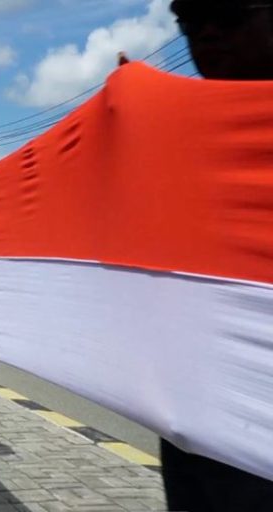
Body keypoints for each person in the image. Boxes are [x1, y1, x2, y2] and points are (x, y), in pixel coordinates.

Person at [156, 2, 273, 510]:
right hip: (199, 429)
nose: (205, 35)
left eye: (226, 14)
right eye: (189, 20)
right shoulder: (182, 141)